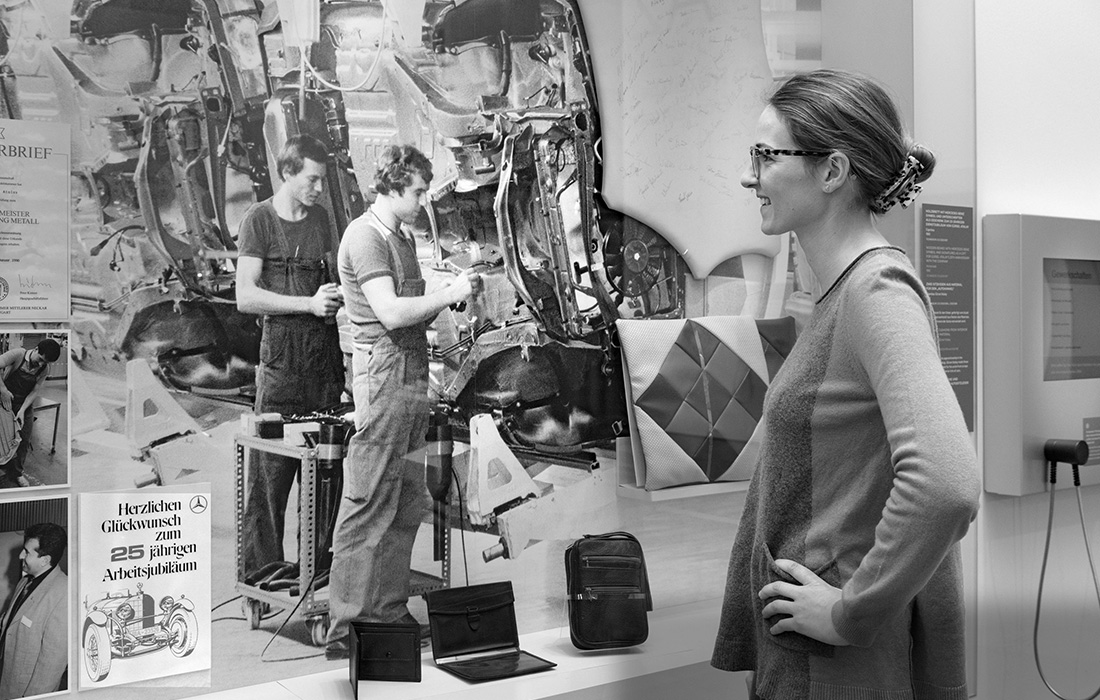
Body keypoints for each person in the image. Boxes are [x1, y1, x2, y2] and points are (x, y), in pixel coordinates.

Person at [711, 69, 981, 700]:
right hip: (813, 662)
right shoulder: (844, 293)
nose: (750, 176)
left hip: (839, 669)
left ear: (832, 171)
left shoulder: (875, 292)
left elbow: (946, 483)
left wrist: (847, 612)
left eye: (766, 156)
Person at [325, 145, 480, 659]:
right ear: (391, 187)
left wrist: (448, 287)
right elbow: (391, 312)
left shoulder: (400, 236)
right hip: (385, 373)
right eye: (416, 191)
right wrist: (447, 294)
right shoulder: (365, 237)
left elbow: (412, 300)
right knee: (369, 500)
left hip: (411, 374)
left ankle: (387, 613)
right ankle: (347, 628)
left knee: (406, 501)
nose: (422, 200)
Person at [236, 134, 345, 579]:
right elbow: (245, 296)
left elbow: (334, 280)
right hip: (282, 368)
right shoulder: (258, 219)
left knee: (324, 482)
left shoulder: (321, 219)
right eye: (311, 179)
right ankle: (260, 580)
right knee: (270, 481)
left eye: (322, 180)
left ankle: (314, 581)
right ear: (286, 172)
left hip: (323, 367)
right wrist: (308, 304)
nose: (319, 189)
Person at [0, 523, 67, 699]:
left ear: (45, 560)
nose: (21, 556)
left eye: (27, 552)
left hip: (24, 692)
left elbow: (51, 665)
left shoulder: (64, 593)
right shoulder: (26, 581)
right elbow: (12, 621)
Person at [0, 339, 61, 488]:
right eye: (40, 359)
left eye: (45, 362)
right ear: (36, 349)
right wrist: (3, 390)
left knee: (24, 439)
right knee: (2, 435)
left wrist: (22, 410)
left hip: (24, 403)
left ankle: (17, 473)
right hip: (5, 399)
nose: (40, 364)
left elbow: (34, 391)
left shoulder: (44, 368)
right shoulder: (18, 354)